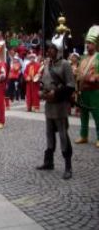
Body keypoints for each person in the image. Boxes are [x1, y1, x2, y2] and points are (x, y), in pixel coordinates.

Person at [36, 33, 75, 180]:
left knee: (63, 136)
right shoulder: (47, 64)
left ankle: (68, 166)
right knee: (49, 134)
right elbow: (42, 81)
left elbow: (71, 86)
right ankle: (49, 162)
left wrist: (56, 93)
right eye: (48, 49)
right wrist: (41, 92)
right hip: (49, 107)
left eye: (51, 49)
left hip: (60, 106)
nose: (48, 51)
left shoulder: (65, 64)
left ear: (57, 50)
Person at [75, 25, 99, 148]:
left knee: (97, 115)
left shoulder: (98, 57)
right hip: (83, 91)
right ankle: (83, 135)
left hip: (95, 91)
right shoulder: (83, 58)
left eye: (90, 43)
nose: (88, 45)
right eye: (87, 43)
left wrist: (93, 78)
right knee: (83, 115)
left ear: (95, 44)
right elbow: (79, 73)